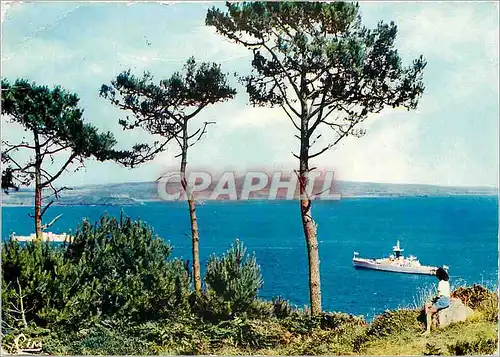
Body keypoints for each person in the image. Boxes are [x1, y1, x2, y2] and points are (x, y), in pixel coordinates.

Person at [422, 267, 450, 335]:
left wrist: (434, 300)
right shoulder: (447, 282)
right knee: (426, 304)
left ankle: (428, 330)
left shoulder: (441, 283)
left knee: (429, 312)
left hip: (442, 300)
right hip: (446, 300)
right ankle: (428, 321)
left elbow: (439, 295)